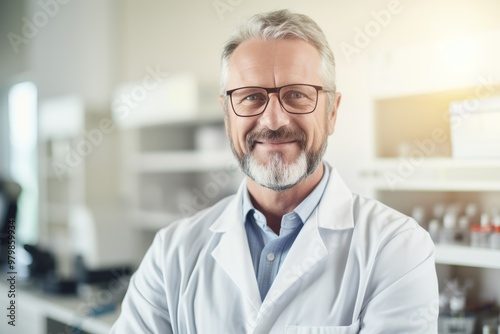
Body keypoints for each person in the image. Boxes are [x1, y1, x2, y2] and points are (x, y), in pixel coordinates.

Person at [111, 9, 439, 333]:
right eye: (251, 97)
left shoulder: (397, 249)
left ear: (332, 112)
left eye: (296, 95)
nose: (273, 121)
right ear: (227, 117)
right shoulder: (172, 252)